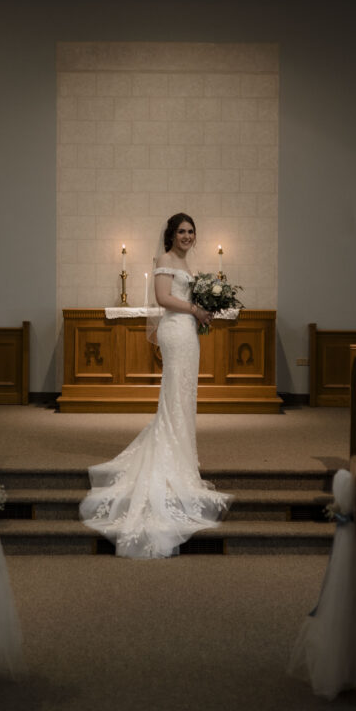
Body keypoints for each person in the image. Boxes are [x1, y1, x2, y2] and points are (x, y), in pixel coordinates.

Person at [79, 212, 232, 558]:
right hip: (176, 332)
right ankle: (172, 460)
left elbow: (187, 299)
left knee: (183, 397)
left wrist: (204, 310)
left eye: (191, 231)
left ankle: (184, 458)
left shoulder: (189, 263)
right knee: (175, 395)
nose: (187, 236)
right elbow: (163, 299)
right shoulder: (164, 260)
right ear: (171, 234)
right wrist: (195, 309)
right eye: (182, 231)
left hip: (188, 333)